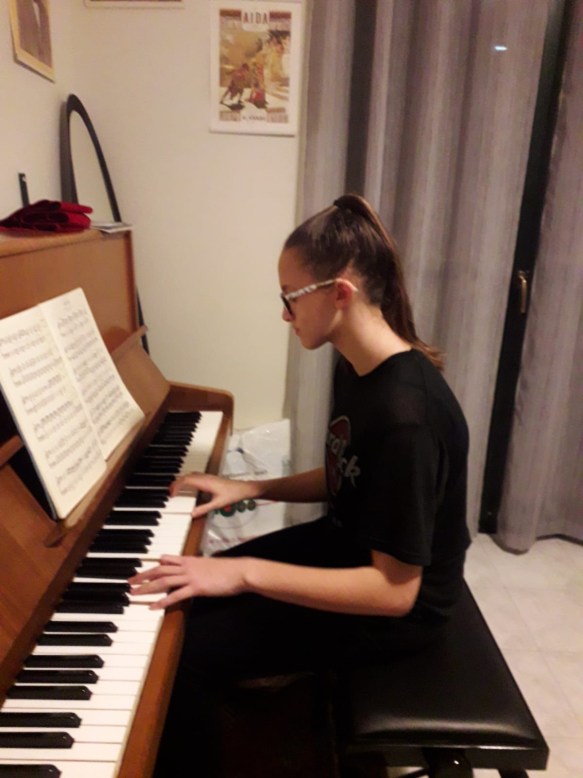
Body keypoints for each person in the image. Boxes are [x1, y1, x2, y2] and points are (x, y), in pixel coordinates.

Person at [130, 194, 471, 776]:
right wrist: (252, 489)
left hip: (397, 613)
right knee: (186, 596)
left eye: (290, 298)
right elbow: (347, 475)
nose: (284, 315)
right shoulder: (357, 366)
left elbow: (394, 592)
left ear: (340, 293)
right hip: (347, 549)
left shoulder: (406, 417)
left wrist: (244, 572)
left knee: (184, 652)